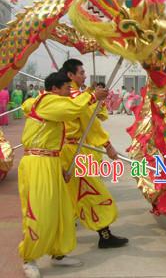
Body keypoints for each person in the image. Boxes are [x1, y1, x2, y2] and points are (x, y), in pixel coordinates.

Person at [19, 72, 108, 278]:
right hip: (37, 164)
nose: (70, 92)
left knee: (62, 212)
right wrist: (93, 96)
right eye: (67, 88)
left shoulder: (46, 103)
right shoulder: (49, 101)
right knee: (40, 211)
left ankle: (58, 254)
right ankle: (29, 257)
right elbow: (72, 109)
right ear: (55, 89)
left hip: (51, 161)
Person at [60, 59, 128, 249]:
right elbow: (92, 123)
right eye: (81, 73)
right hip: (75, 153)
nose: (84, 75)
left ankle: (65, 234)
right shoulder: (74, 96)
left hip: (70, 150)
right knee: (93, 193)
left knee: (72, 195)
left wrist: (94, 98)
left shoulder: (72, 94)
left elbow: (99, 115)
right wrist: (108, 146)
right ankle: (104, 236)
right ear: (70, 75)